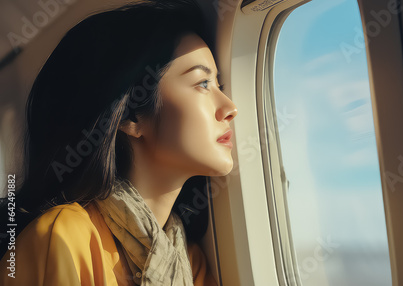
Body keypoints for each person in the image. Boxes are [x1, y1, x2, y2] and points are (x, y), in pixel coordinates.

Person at [0, 0, 236, 285]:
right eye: (202, 84)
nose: (230, 107)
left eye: (219, 85)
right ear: (131, 116)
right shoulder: (64, 237)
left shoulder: (188, 260)